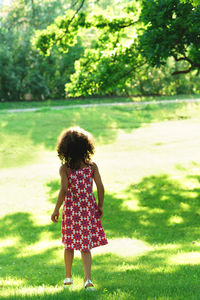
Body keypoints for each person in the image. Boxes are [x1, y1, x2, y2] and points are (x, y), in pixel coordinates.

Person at [51, 127, 108, 291]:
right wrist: (100, 205)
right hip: (87, 211)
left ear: (65, 150)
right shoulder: (92, 167)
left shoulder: (65, 169)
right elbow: (101, 187)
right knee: (85, 247)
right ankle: (87, 279)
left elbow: (63, 190)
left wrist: (56, 210)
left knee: (68, 245)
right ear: (86, 147)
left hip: (71, 212)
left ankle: (68, 277)